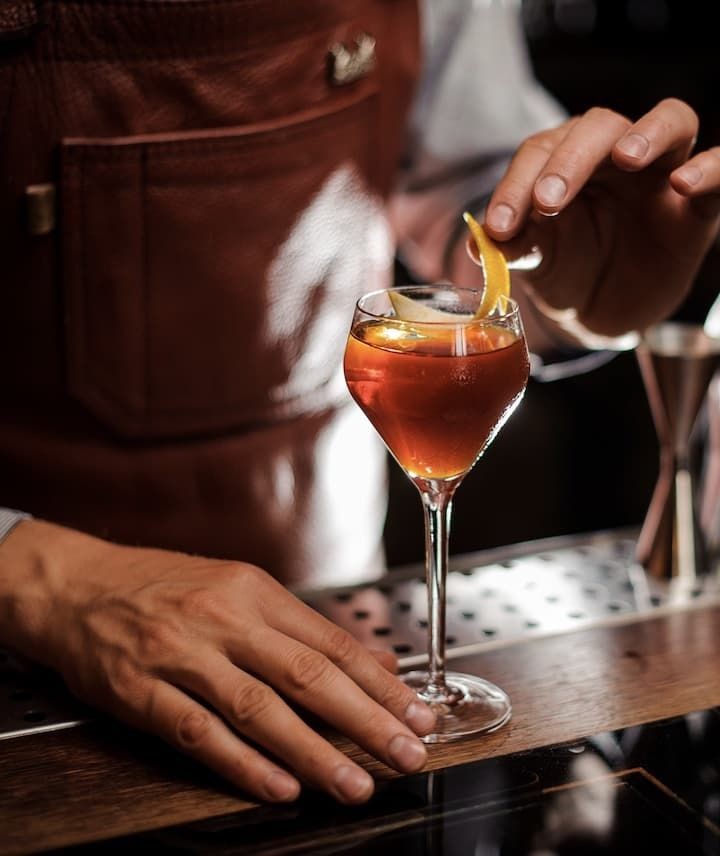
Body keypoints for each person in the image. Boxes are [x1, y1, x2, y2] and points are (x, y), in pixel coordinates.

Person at [1, 0, 719, 807]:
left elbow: (472, 208)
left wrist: (569, 284)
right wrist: (39, 577)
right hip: (30, 691)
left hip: (344, 663)